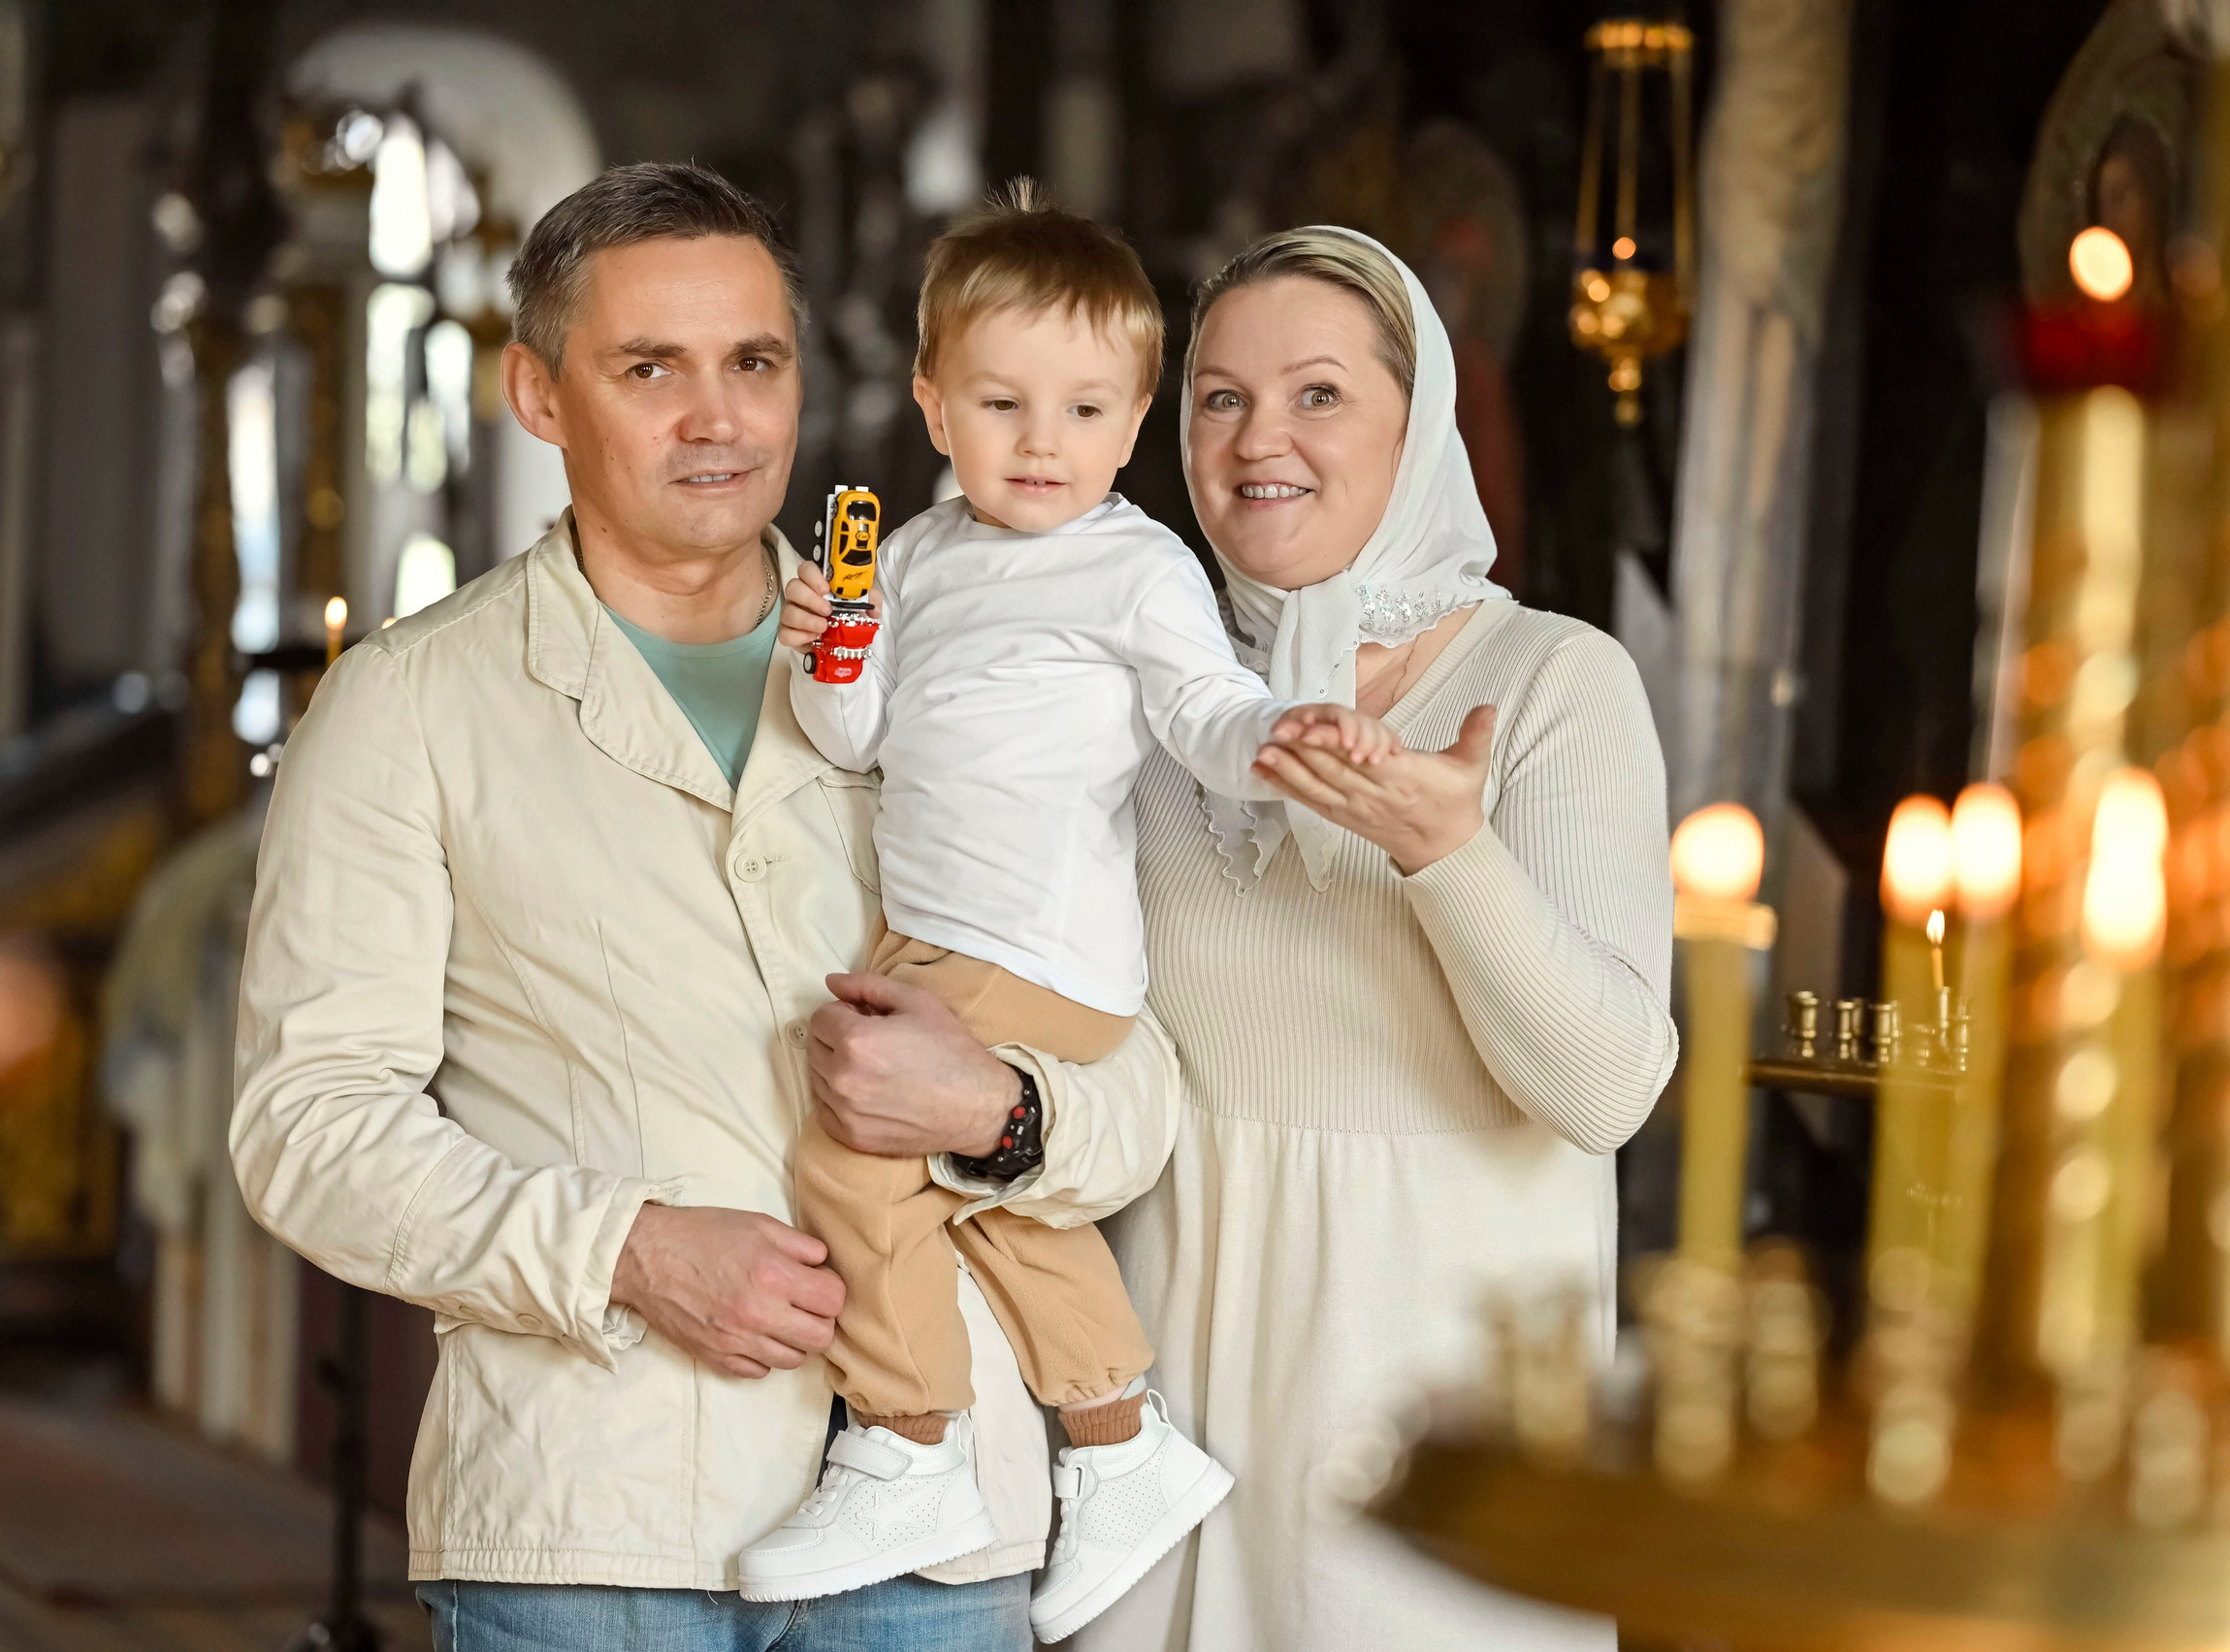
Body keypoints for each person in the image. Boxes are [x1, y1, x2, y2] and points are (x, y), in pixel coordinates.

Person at [230, 161, 1181, 1652]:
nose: (718, 420)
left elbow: (1140, 1081)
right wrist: (624, 1249)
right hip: (593, 1526)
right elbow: (310, 1126)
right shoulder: (407, 709)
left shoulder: (950, 668)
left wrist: (1001, 1112)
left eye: (753, 362)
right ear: (538, 394)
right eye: (648, 369)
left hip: (938, 1545)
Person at [751, 185, 1388, 1637]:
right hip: (936, 940)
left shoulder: (1135, 565)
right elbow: (854, 743)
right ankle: (1121, 1446)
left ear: (1136, 416)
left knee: (854, 1163)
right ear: (930, 404)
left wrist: (1281, 738)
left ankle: (909, 1439)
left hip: (1038, 949)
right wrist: (833, 651)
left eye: (1087, 409)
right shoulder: (911, 560)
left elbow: (1207, 709)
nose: (1043, 444)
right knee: (986, 1202)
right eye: (1001, 403)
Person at [1085, 228, 1681, 1650]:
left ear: (1423, 431)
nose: (1257, 438)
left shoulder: (1549, 683)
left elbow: (1604, 1090)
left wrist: (1445, 851)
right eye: (1218, 398)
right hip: (1168, 1421)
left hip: (1434, 1435)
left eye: (1318, 395)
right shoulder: (1150, 699)